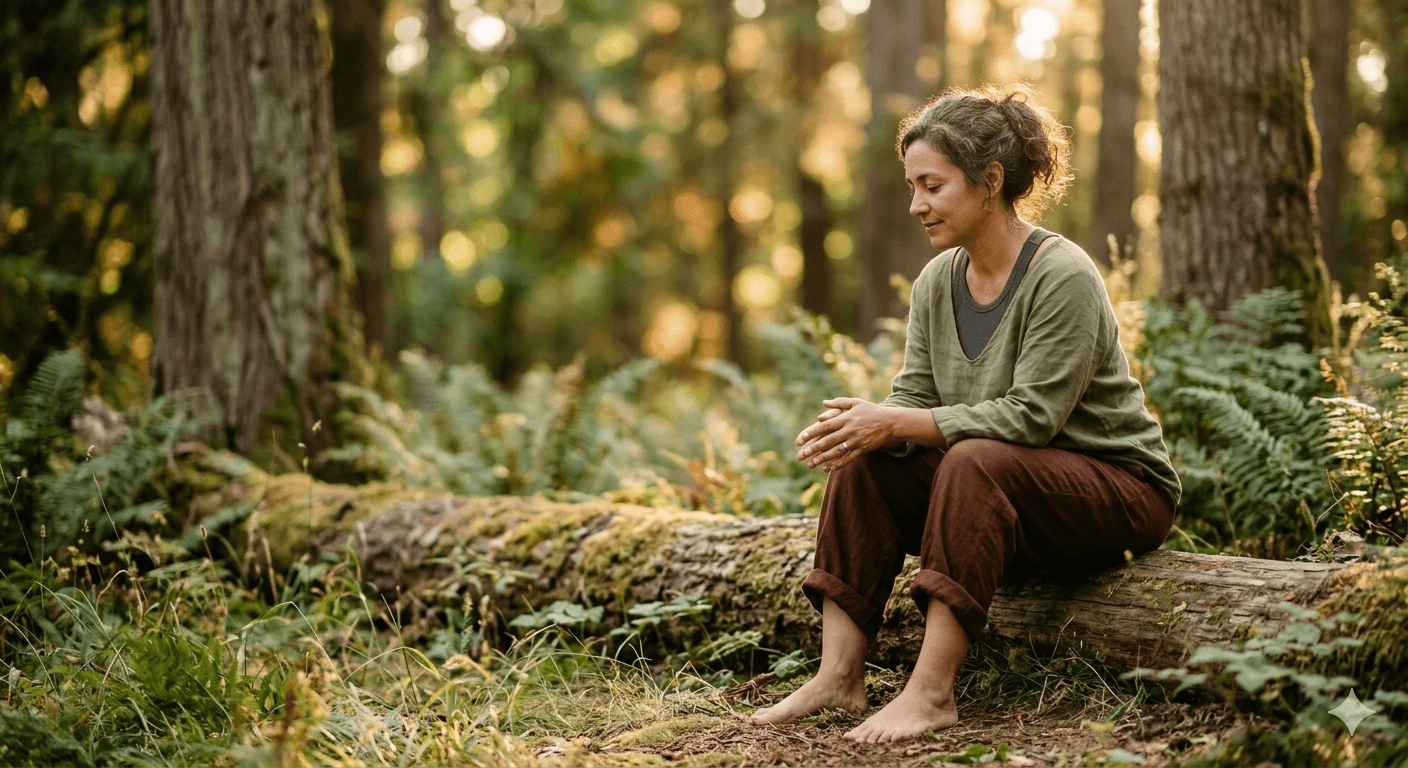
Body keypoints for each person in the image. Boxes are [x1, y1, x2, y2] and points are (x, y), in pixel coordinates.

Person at [745, 85, 1180, 743]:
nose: (916, 205)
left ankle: (931, 693)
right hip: (1011, 491)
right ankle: (838, 675)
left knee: (972, 460)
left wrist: (896, 422)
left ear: (991, 181)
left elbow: (1033, 417)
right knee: (866, 462)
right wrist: (869, 422)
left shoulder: (1062, 274)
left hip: (1119, 490)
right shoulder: (936, 281)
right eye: (912, 187)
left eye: (933, 186)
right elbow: (916, 400)